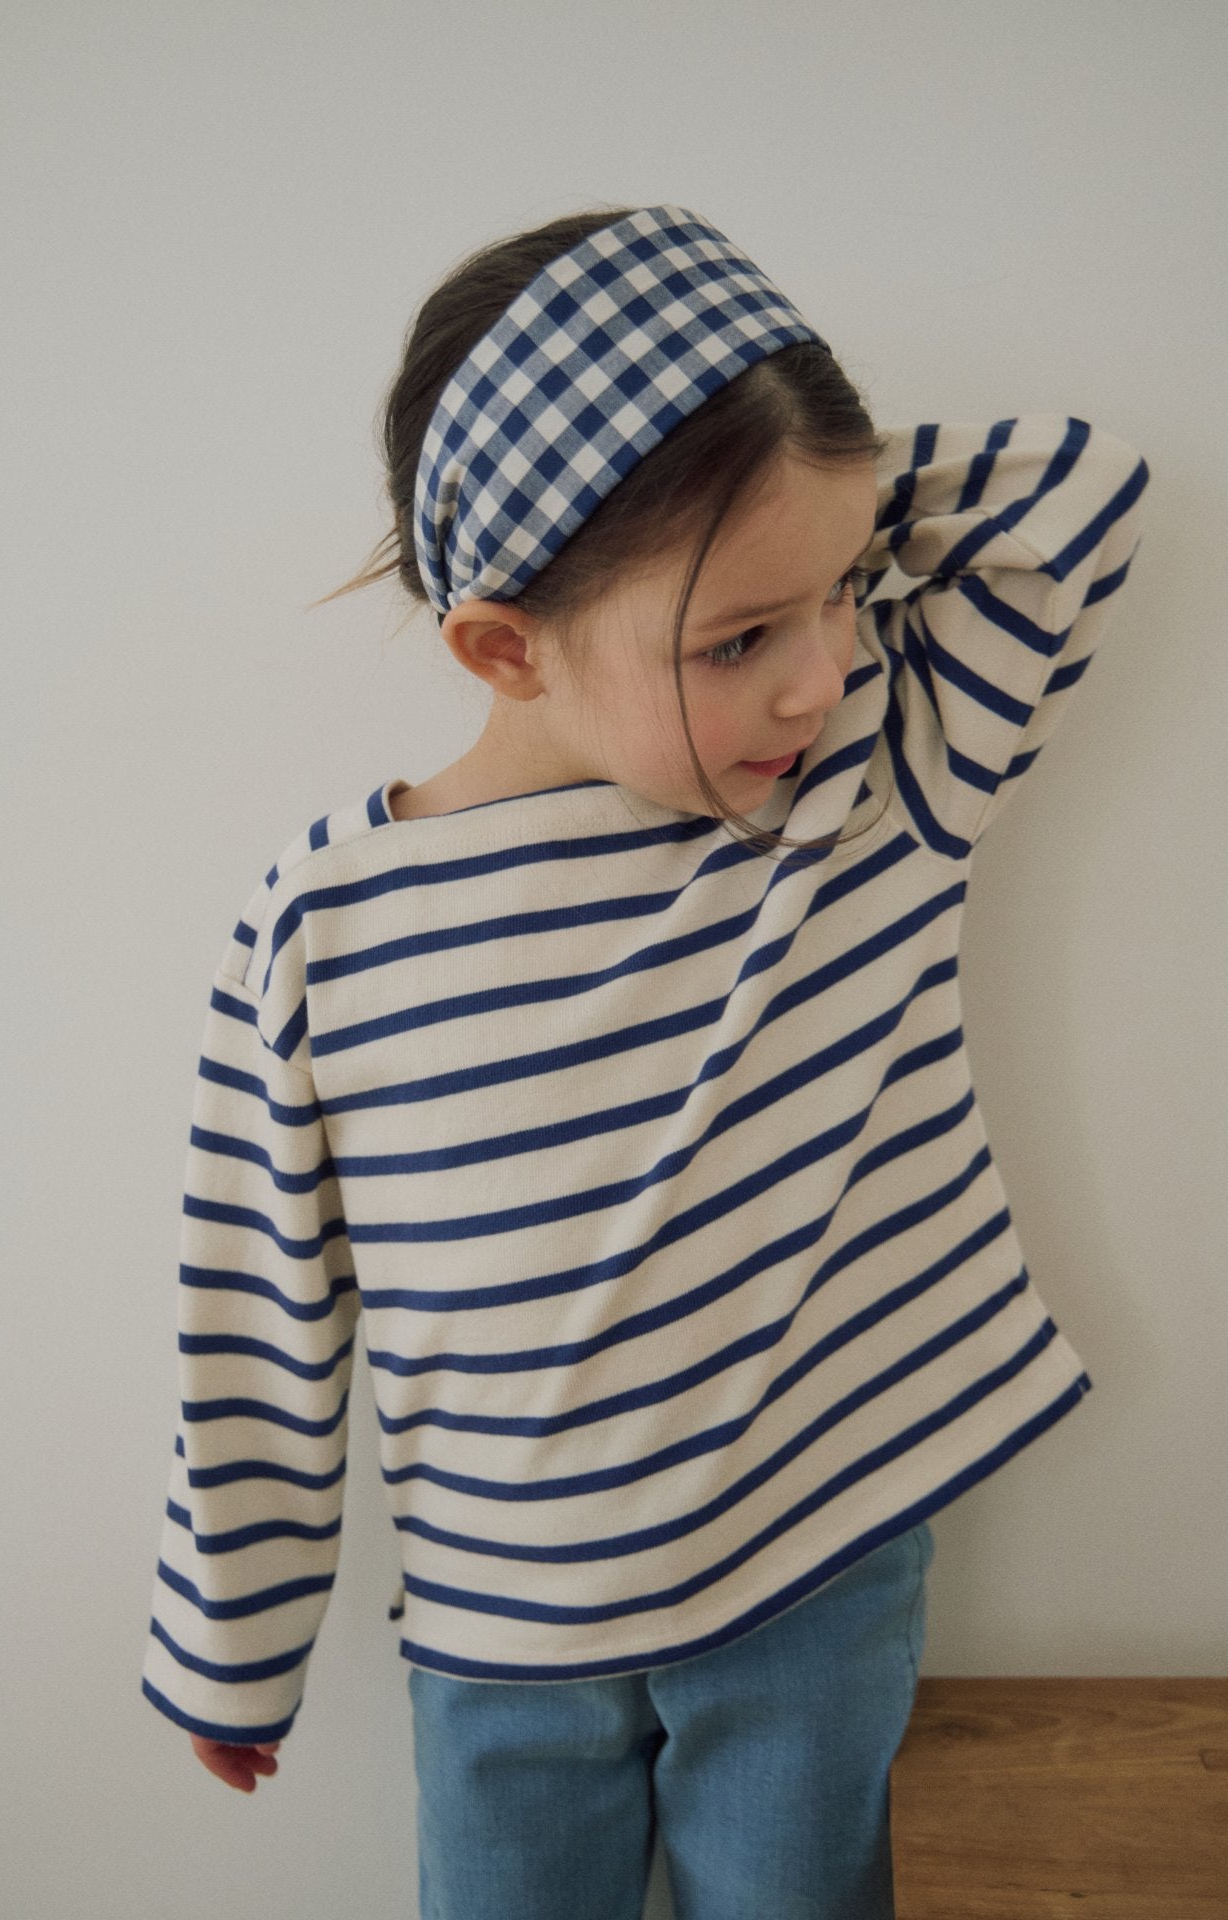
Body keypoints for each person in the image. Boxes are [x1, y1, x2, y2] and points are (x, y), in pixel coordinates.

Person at [141, 202, 1151, 1918]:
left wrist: (784, 486)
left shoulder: (869, 778)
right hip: (504, 1636)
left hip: (817, 1573)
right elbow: (254, 1300)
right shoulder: (326, 927)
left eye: (842, 599)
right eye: (740, 639)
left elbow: (1083, 501)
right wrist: (233, 1637)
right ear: (504, 643)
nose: (821, 677)